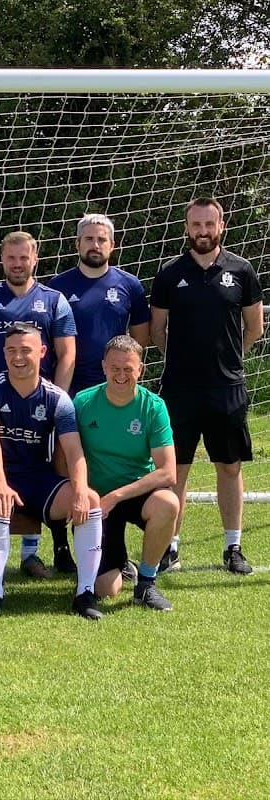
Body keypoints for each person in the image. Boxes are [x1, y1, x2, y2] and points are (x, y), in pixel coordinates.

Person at [150, 197, 264, 574]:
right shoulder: (169, 273)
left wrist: (227, 359)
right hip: (179, 390)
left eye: (208, 224)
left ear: (221, 226)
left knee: (229, 467)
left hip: (226, 387)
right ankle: (171, 548)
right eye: (195, 224)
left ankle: (233, 547)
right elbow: (157, 331)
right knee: (176, 469)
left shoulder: (243, 271)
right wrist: (184, 362)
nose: (202, 231)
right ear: (187, 228)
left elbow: (255, 328)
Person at [0, 230, 78, 577]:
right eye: (10, 258)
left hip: (39, 403)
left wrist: (54, 399)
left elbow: (66, 352)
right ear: (2, 260)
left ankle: (31, 553)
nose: (17, 264)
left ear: (34, 259)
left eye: (23, 258)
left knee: (41, 468)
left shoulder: (54, 299)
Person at [0, 322, 103, 620]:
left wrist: (80, 490)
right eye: (12, 351)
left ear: (42, 352)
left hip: (38, 479)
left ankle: (85, 593)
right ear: (3, 353)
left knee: (91, 500)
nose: (18, 357)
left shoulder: (57, 398)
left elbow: (74, 452)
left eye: (26, 350)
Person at [74, 336, 178, 611]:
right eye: (115, 368)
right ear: (104, 367)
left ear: (140, 369)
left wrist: (118, 496)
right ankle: (118, 562)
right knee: (107, 590)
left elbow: (168, 473)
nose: (121, 375)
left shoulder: (153, 406)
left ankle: (146, 583)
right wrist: (85, 493)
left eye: (128, 369)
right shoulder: (83, 403)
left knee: (168, 503)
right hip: (98, 501)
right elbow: (68, 457)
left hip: (135, 493)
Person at [49, 214, 150, 396]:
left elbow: (140, 340)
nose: (95, 245)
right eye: (89, 239)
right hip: (69, 386)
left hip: (115, 385)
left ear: (112, 245)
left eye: (101, 239)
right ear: (77, 243)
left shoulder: (130, 285)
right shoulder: (57, 287)